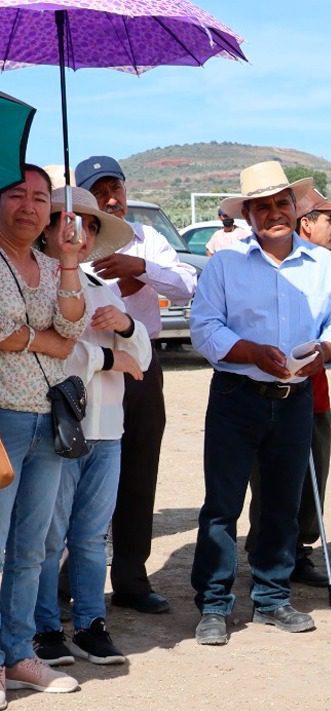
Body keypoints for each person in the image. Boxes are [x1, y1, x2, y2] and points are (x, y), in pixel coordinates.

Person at [189, 161, 331, 646]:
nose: (274, 213)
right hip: (236, 395)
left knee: (282, 501)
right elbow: (205, 327)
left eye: (281, 203)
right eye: (262, 207)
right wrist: (250, 352)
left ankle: (271, 597)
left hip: (295, 397)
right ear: (247, 216)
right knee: (222, 504)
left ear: (295, 208)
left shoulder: (324, 265)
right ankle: (215, 604)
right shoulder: (224, 264)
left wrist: (324, 350)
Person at [33, 186, 151, 667]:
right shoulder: (38, 283)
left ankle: (89, 621)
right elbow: (56, 355)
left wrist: (125, 328)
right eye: (68, 221)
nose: (78, 232)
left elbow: (141, 359)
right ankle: (44, 626)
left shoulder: (104, 289)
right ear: (50, 228)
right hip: (59, 427)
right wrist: (110, 356)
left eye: (89, 223)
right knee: (47, 533)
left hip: (107, 430)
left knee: (90, 535)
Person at [74, 154, 197, 616]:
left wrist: (138, 267)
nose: (112, 199)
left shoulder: (148, 240)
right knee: (79, 473)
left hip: (143, 369)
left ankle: (131, 578)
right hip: (86, 370)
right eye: (100, 191)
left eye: (116, 189)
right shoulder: (73, 238)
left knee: (139, 471)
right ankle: (69, 580)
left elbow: (187, 284)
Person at [0, 165, 87, 700]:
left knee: (31, 548)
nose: (29, 207)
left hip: (49, 419)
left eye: (39, 197)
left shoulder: (54, 267)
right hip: (2, 418)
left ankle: (19, 654)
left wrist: (73, 260)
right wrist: (42, 337)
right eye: (16, 195)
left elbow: (74, 329)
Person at [245, 187, 331, 589]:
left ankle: (300, 550)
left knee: (313, 475)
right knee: (269, 480)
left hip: (313, 394)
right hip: (264, 391)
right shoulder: (256, 263)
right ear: (304, 222)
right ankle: (267, 551)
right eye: (326, 217)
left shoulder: (329, 265)